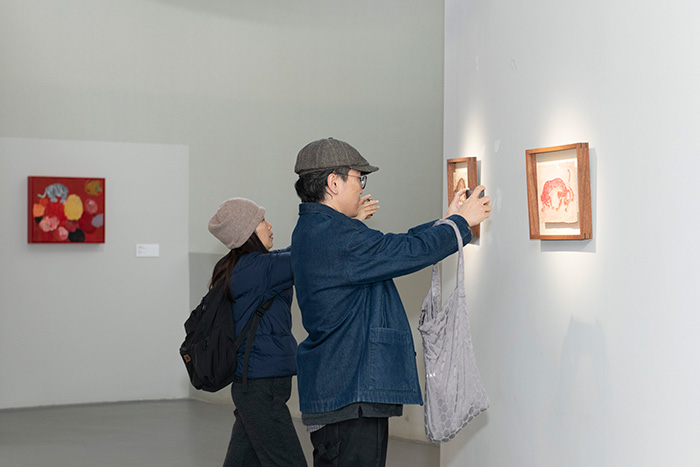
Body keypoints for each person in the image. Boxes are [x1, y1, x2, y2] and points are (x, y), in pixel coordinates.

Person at [290, 137, 492, 467]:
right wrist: (460, 224)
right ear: (334, 183)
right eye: (359, 179)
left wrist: (449, 221)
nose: (361, 188)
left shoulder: (318, 228)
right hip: (349, 393)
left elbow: (396, 246)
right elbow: (406, 252)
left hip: (342, 389)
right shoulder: (337, 236)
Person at [207, 197, 306, 467]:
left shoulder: (242, 265)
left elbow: (289, 253)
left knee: (241, 461)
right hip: (262, 386)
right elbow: (306, 255)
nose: (270, 225)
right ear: (247, 231)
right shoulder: (261, 269)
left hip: (252, 384)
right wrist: (343, 219)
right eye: (262, 220)